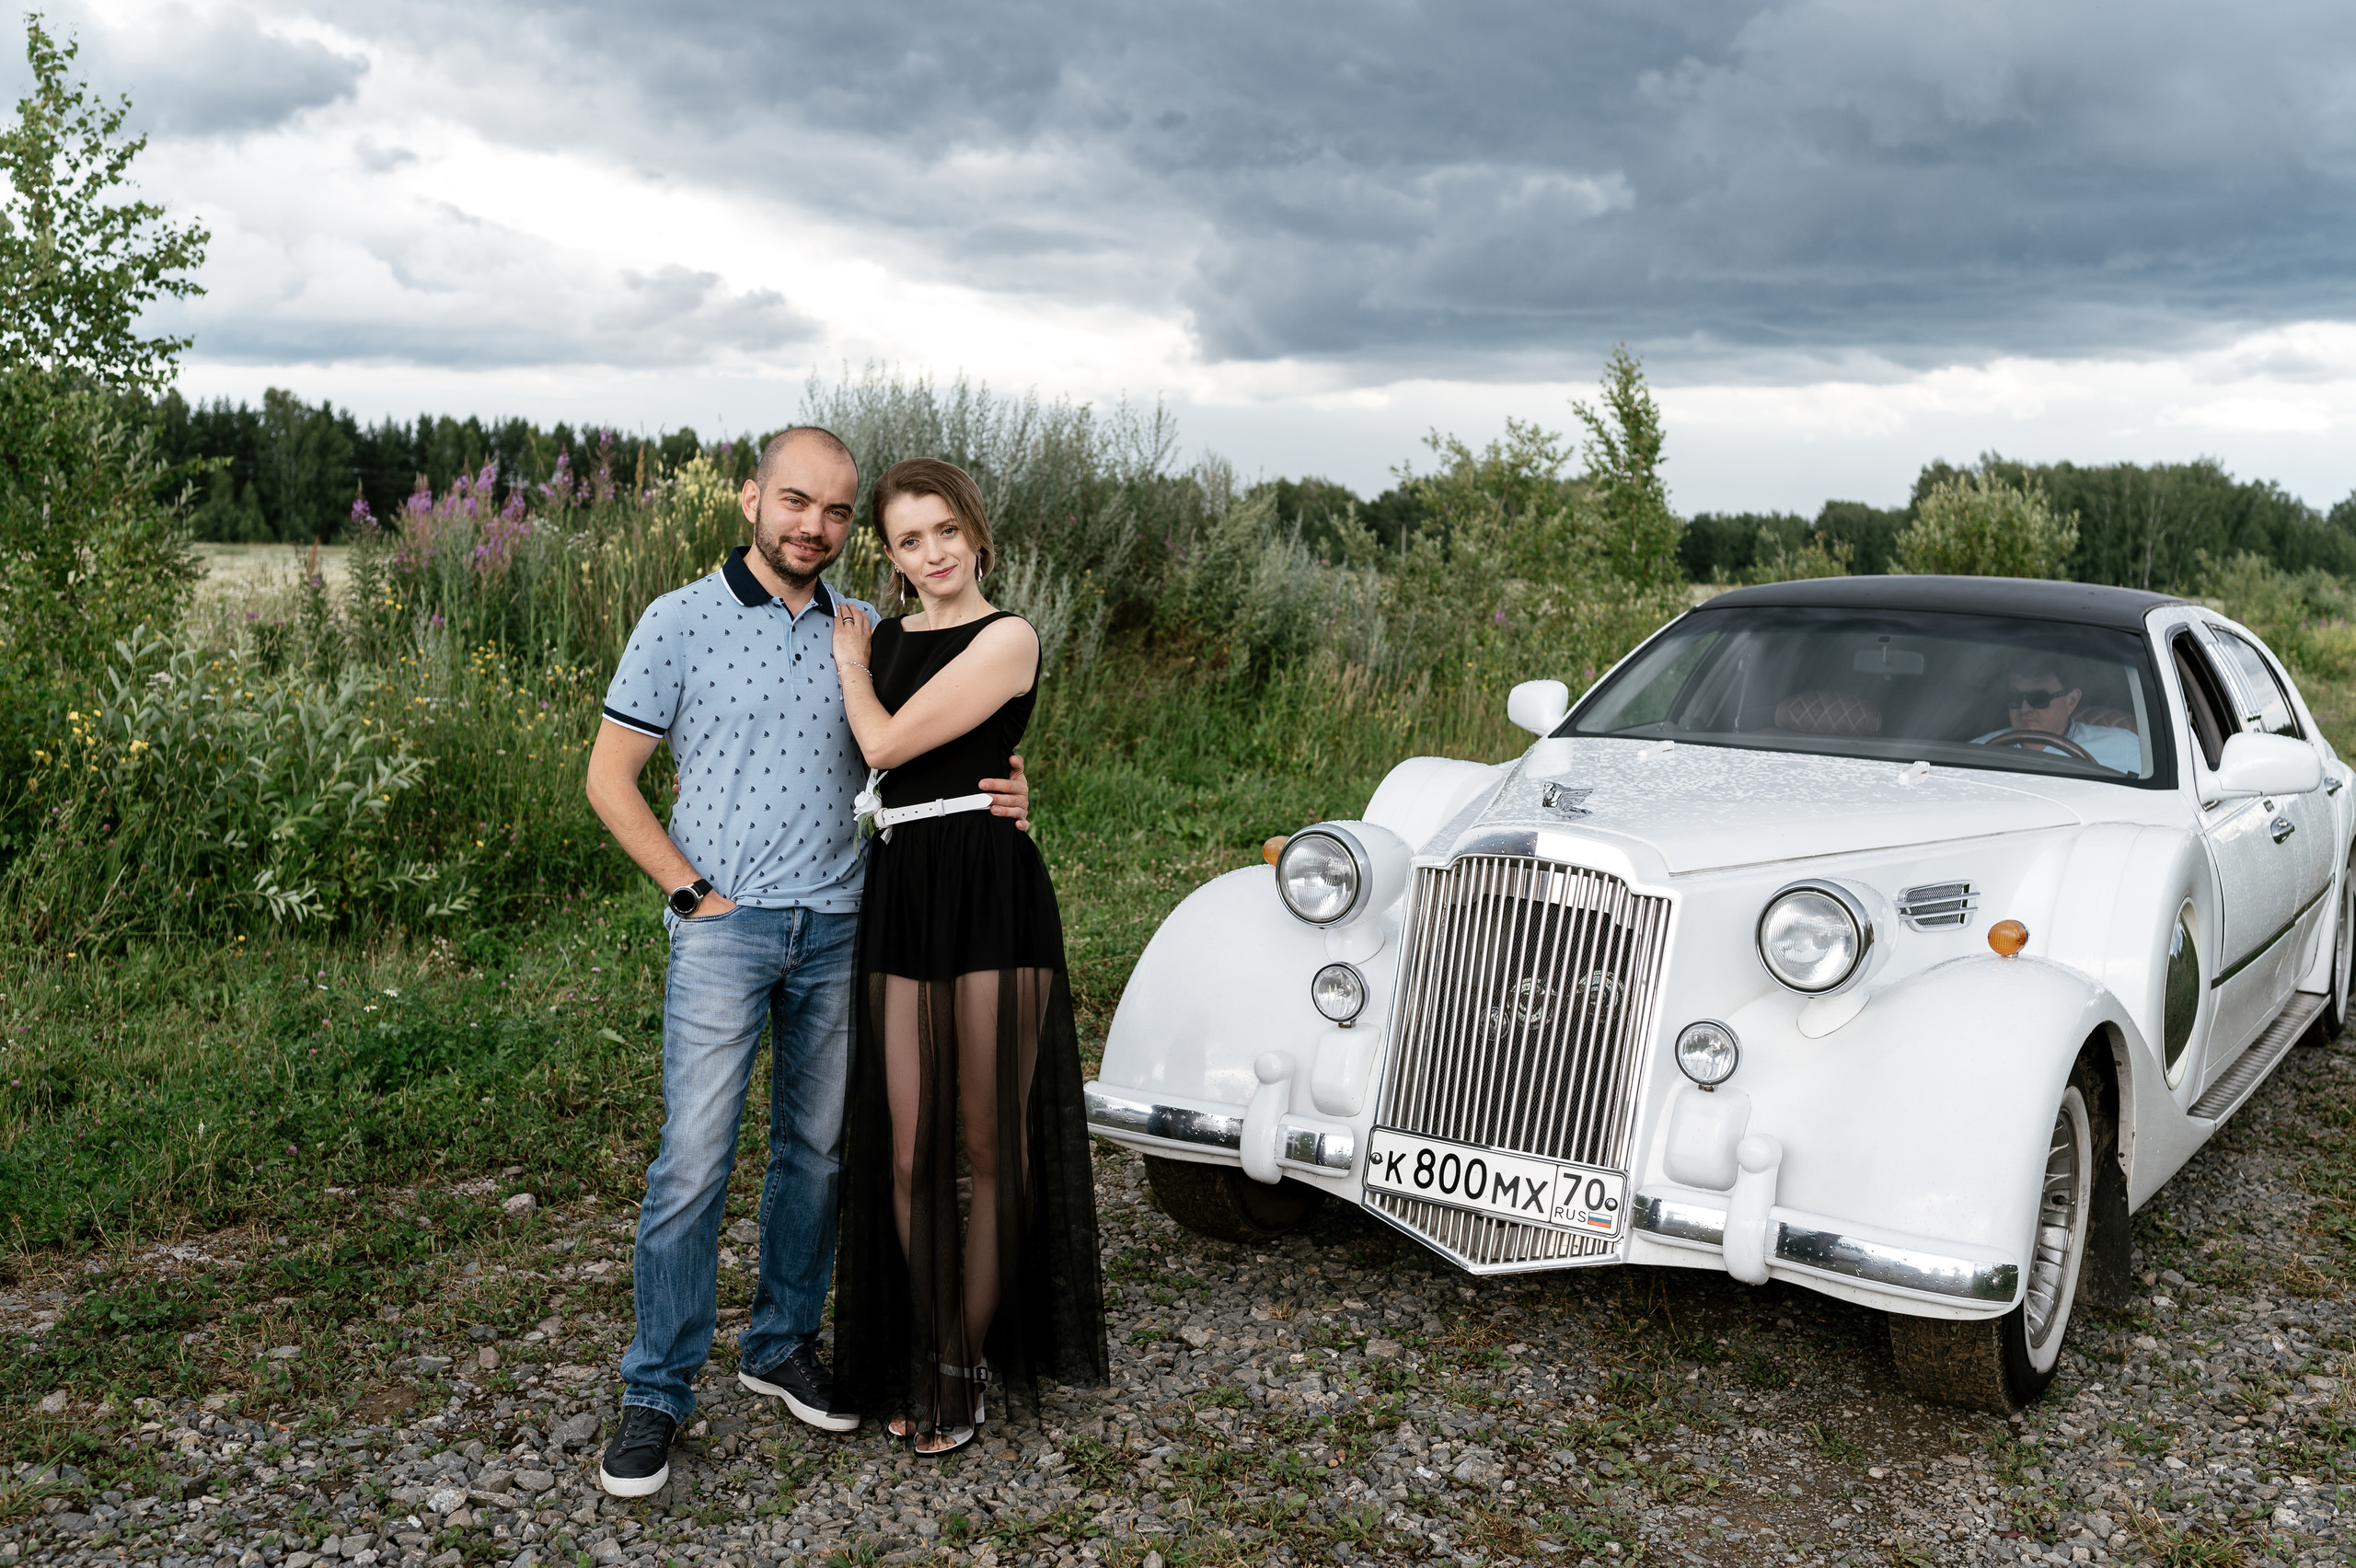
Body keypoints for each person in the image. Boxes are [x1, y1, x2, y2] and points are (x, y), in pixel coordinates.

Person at [583, 429, 1032, 1496]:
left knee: (819, 1154)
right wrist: (691, 894)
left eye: (835, 514)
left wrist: (1013, 791)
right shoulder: (677, 621)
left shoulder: (863, 629)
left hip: (845, 923)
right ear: (751, 499)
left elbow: (945, 733)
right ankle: (657, 1388)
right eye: (795, 503)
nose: (812, 527)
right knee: (692, 1161)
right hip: (725, 930)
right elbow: (609, 780)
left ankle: (780, 1344)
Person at [827, 458, 1108, 1457]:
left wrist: (852, 669)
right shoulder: (894, 635)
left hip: (990, 894)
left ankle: (959, 1360)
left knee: (992, 1145)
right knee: (906, 1151)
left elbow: (892, 746)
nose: (932, 553)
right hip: (904, 888)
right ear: (892, 558)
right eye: (909, 539)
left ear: (976, 534)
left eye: (945, 531)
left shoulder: (1009, 636)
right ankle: (931, 1339)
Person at [1972, 666, 2140, 772]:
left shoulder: (2122, 747)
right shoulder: (1978, 751)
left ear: (2071, 701)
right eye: (2014, 698)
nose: (2023, 709)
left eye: (2038, 698)